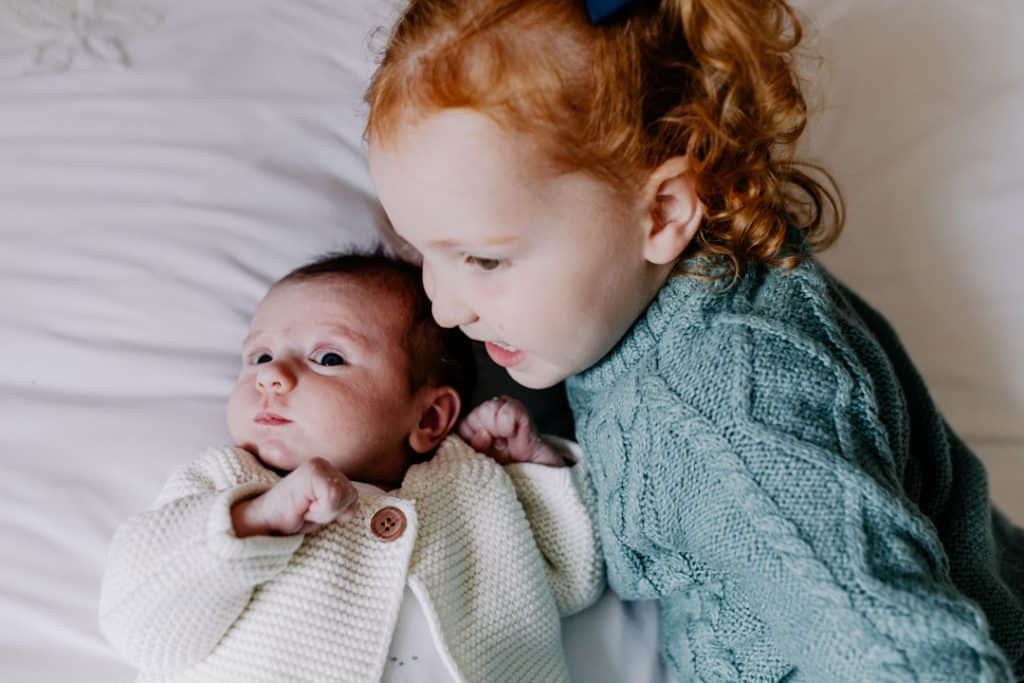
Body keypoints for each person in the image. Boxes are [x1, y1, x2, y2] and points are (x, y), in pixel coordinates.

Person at [364, 0, 1024, 680]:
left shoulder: (726, 418)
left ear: (665, 211)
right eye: (421, 254)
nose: (444, 309)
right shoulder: (693, 277)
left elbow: (910, 655)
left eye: (484, 260)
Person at [98, 251, 603, 683]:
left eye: (329, 358)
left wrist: (534, 469)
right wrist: (255, 522)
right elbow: (140, 625)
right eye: (259, 356)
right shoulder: (227, 486)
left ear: (429, 417)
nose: (272, 375)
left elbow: (574, 577)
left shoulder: (472, 484)